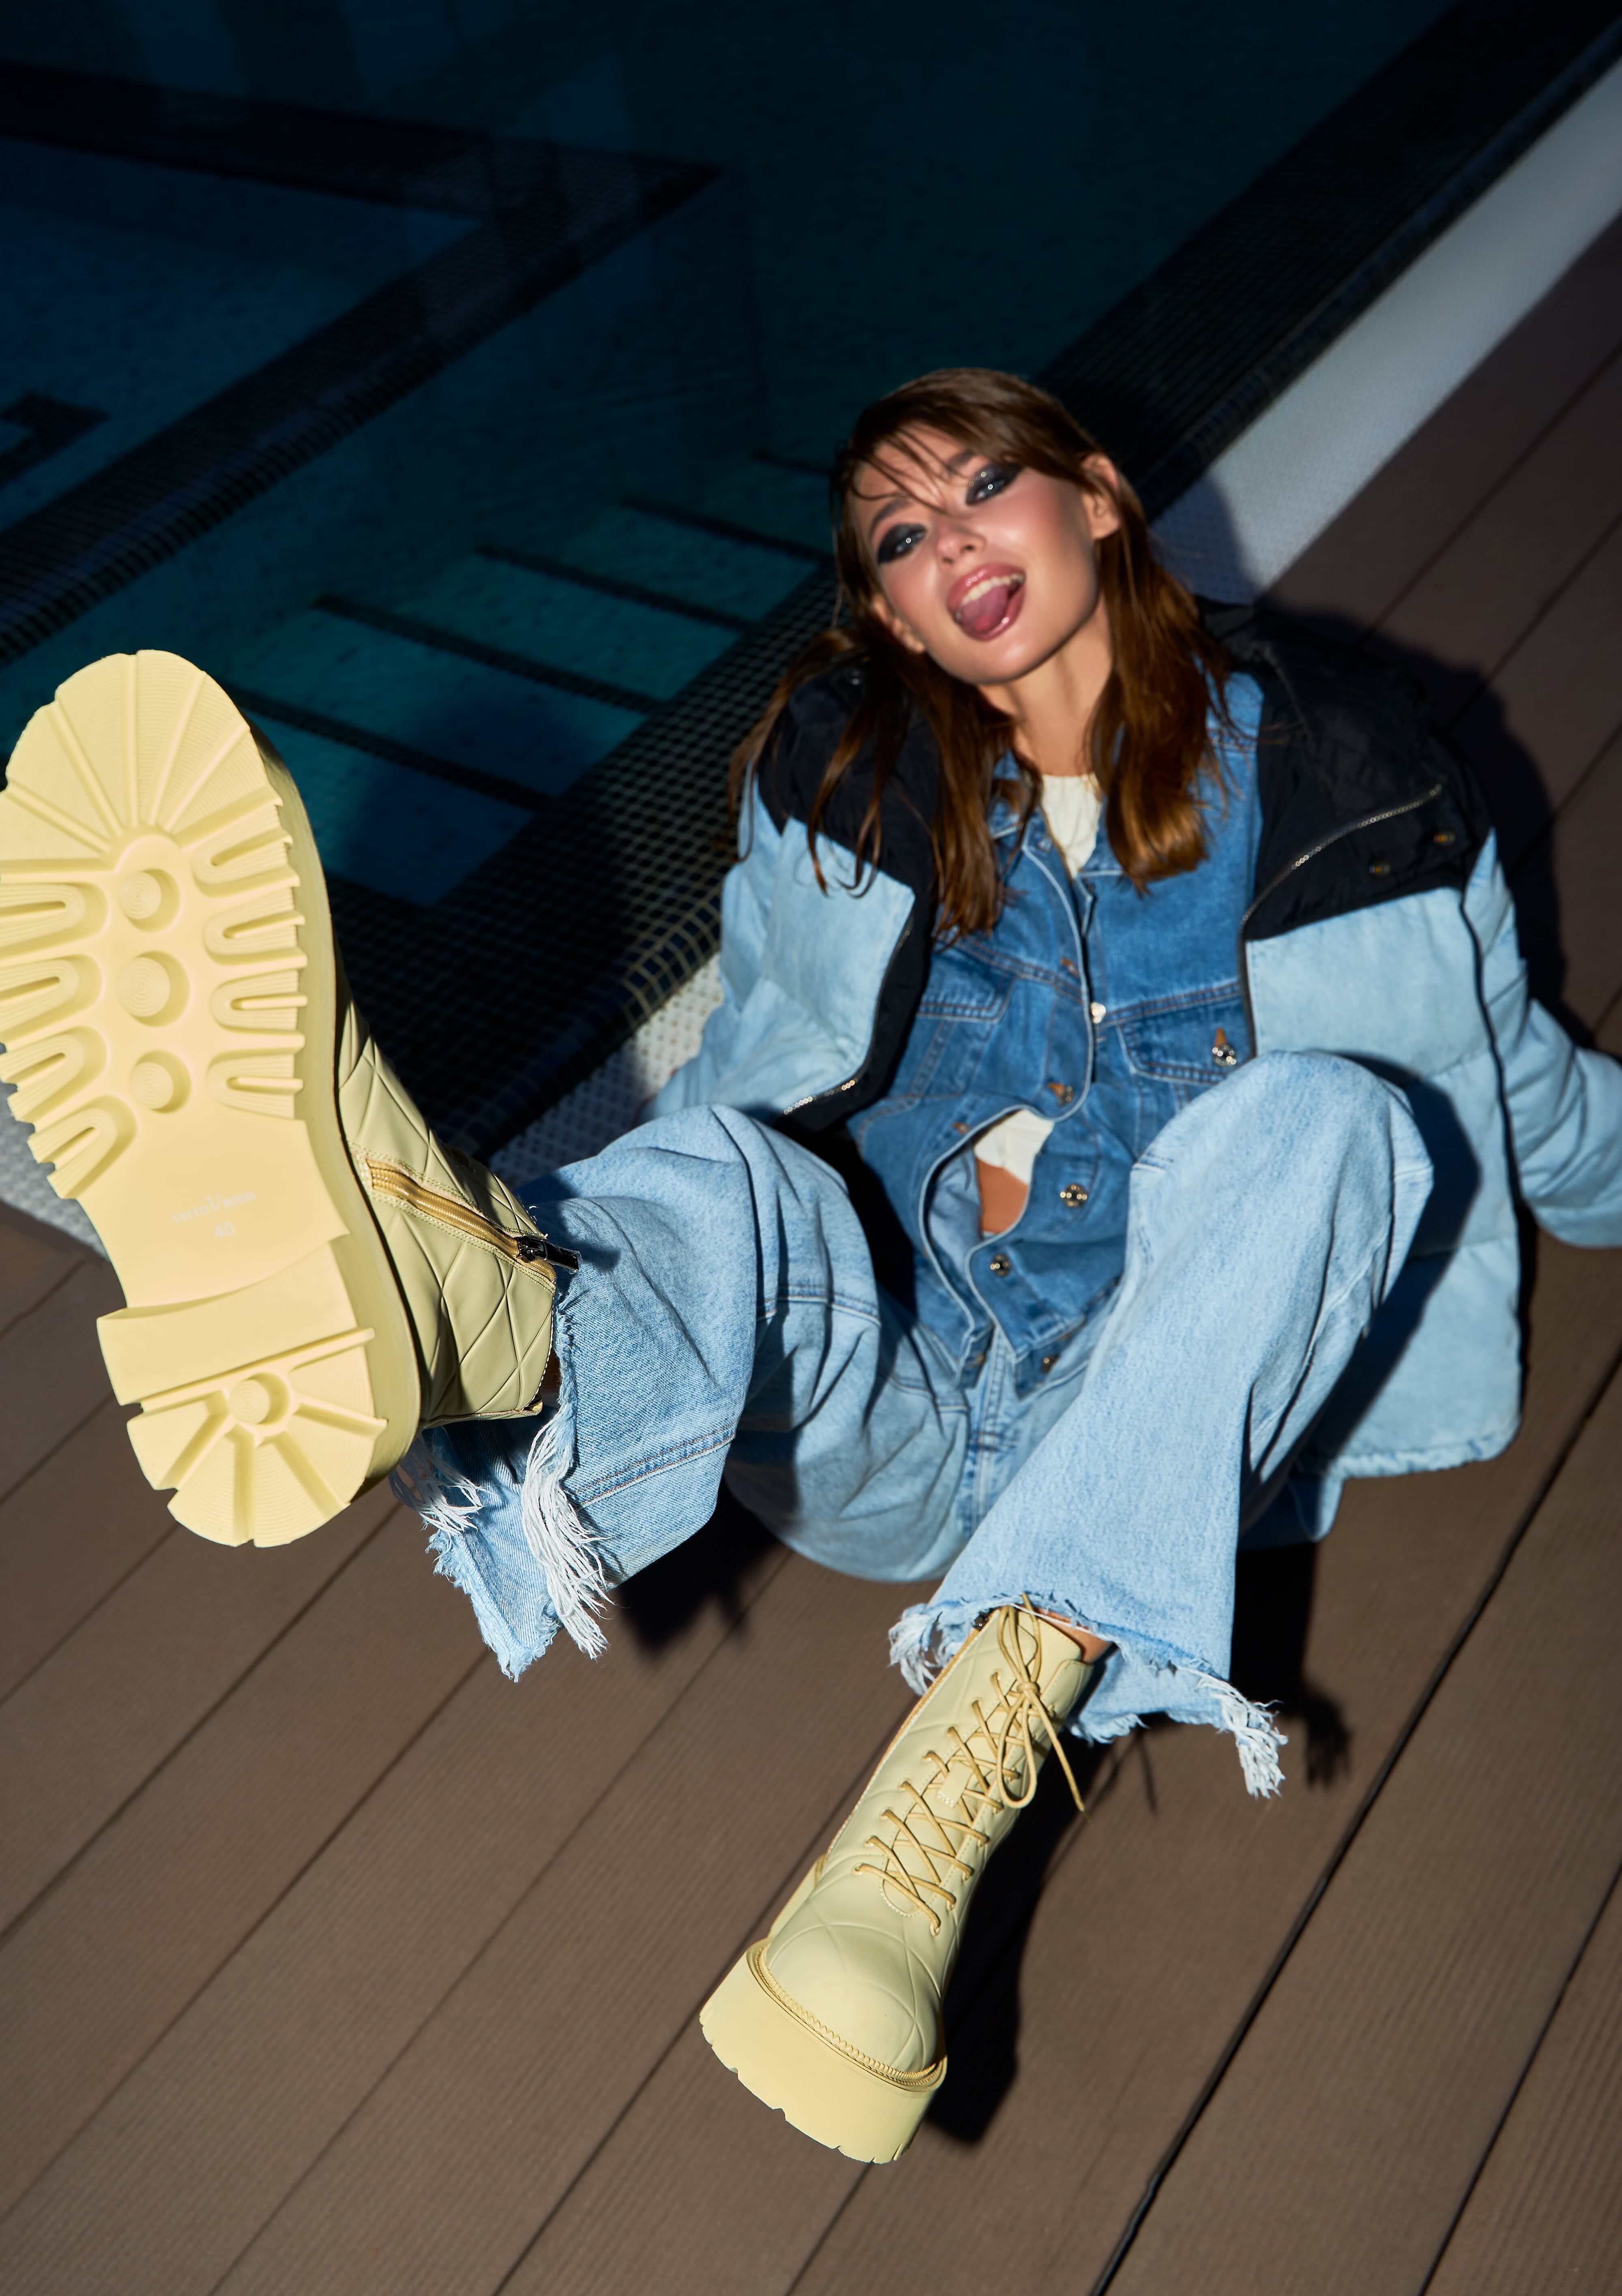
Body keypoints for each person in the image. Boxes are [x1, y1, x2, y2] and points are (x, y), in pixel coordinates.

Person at [2, 370, 1618, 2166]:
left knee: (1334, 1122)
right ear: (894, 615)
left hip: (1153, 1430)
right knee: (731, 1173)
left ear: (1096, 497)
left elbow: (1531, 1102)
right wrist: (644, 1255)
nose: (951, 545)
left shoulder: (1347, 774)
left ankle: (992, 1717)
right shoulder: (849, 774)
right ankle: (497, 1318)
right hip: (897, 1394)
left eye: (984, 486)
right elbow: (745, 1073)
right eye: (901, 538)